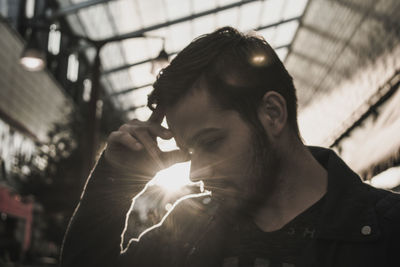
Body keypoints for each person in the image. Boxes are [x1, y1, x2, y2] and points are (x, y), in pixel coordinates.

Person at [60, 27, 400, 267]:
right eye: (189, 151)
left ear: (272, 113)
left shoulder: (388, 232)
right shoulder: (188, 227)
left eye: (210, 142)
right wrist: (116, 179)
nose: (195, 172)